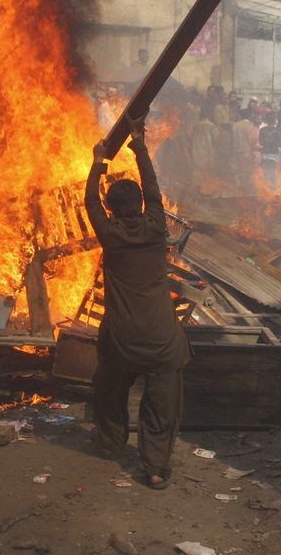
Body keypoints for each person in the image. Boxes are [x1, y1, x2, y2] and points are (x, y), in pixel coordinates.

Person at [85, 114, 191, 490]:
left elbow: (89, 202)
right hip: (163, 342)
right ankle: (156, 467)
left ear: (111, 210)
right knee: (162, 405)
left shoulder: (110, 234)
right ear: (142, 207)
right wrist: (139, 143)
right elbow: (153, 187)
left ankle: (112, 439)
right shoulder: (156, 228)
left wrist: (99, 161)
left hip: (123, 342)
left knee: (108, 383)